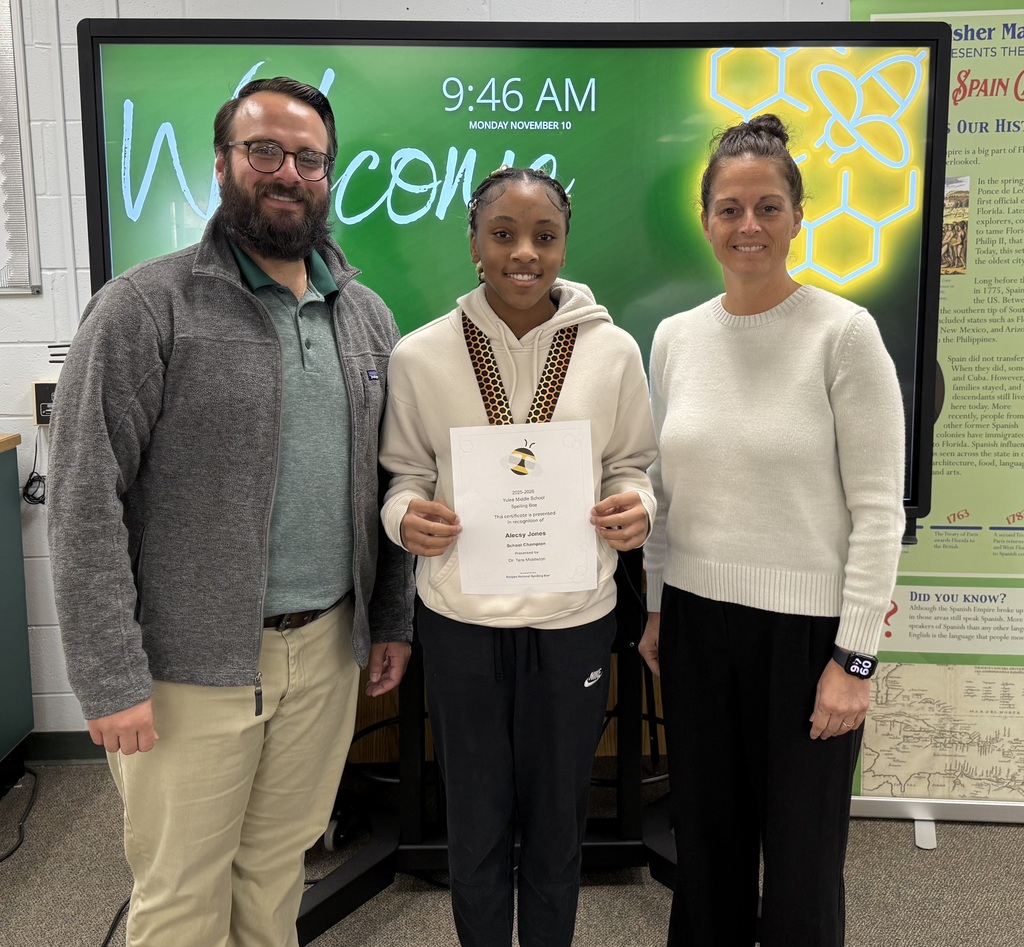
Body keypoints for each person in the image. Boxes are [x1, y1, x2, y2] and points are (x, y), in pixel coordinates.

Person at [47, 77, 414, 947]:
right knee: (180, 894)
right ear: (222, 166)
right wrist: (108, 676)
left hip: (323, 651)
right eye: (264, 151)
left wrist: (389, 615)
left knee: (275, 872)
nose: (287, 171)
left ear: (328, 173)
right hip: (186, 668)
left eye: (308, 156)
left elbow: (388, 477)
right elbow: (81, 498)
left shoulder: (364, 316)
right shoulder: (144, 307)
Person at [639, 114, 905, 947]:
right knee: (707, 856)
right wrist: (653, 611)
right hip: (692, 625)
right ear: (706, 217)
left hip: (807, 641)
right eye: (729, 208)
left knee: (801, 865)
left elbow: (878, 511)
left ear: (797, 217)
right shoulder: (675, 338)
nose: (747, 226)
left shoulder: (844, 333)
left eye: (766, 207)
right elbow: (659, 491)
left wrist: (853, 660)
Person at [378, 166, 658, 947]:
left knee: (558, 818)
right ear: (474, 243)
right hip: (461, 619)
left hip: (574, 618)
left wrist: (638, 507)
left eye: (545, 235)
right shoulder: (421, 355)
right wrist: (407, 518)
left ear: (566, 243)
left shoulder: (613, 352)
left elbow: (633, 464)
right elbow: (403, 474)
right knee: (473, 818)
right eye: (503, 234)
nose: (524, 252)